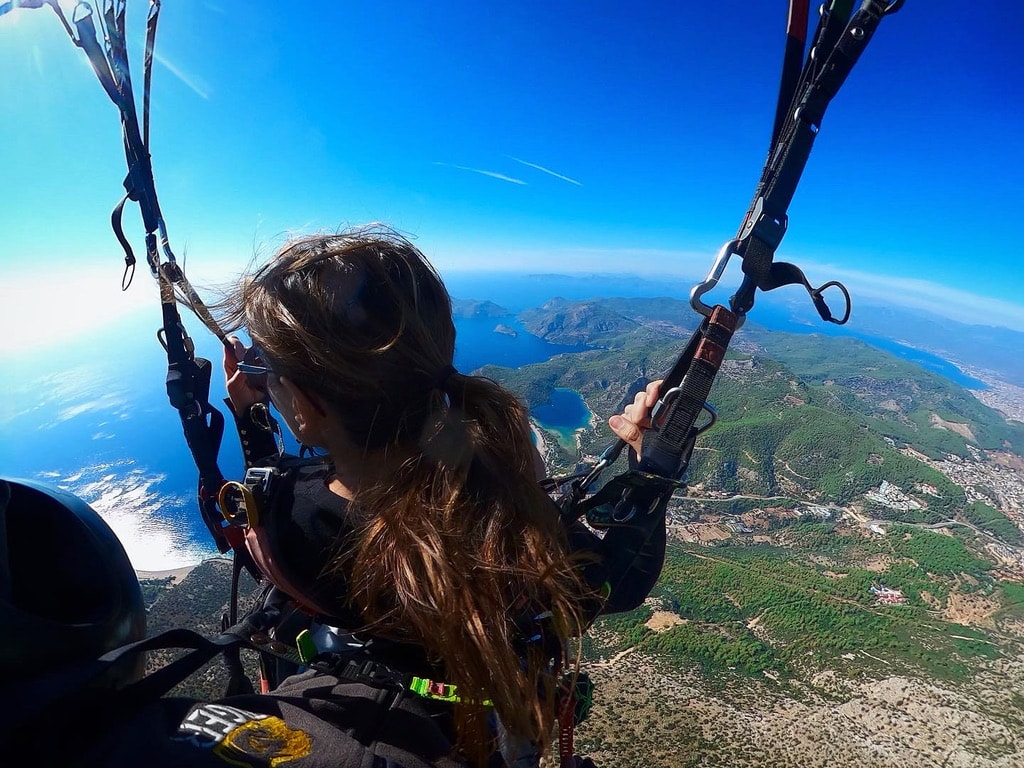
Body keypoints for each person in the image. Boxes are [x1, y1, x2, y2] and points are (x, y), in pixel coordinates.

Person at [4, 225, 666, 768]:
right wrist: (652, 468)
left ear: (308, 407)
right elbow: (619, 582)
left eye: (271, 369)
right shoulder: (515, 518)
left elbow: (262, 517)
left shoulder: (294, 516)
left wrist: (252, 419)